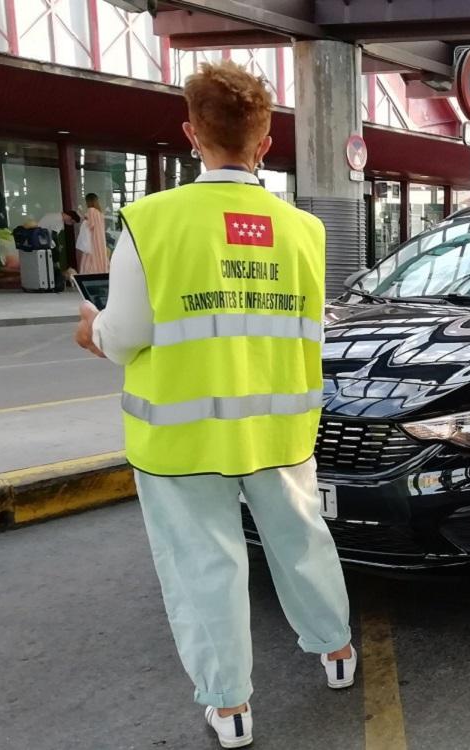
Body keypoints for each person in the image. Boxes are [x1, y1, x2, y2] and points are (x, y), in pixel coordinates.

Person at [73, 61, 353, 749]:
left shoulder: (152, 221)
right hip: (279, 429)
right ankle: (337, 654)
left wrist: (91, 330)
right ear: (264, 144)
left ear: (191, 135)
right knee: (302, 542)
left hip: (182, 439)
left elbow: (127, 334)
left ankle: (230, 710)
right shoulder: (304, 231)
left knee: (206, 566)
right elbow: (304, 326)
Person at [76, 193, 110, 274]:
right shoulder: (99, 213)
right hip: (100, 242)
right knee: (100, 260)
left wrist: (81, 214)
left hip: (93, 242)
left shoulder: (91, 211)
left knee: (90, 262)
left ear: (88, 201)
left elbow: (90, 224)